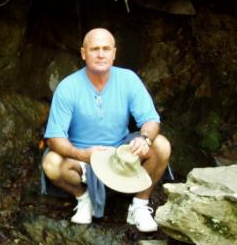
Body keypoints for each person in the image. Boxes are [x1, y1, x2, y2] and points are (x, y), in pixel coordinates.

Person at [42, 27, 171, 232]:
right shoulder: (68, 87)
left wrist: (144, 138)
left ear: (114, 53)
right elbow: (54, 138)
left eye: (106, 48)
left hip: (120, 153)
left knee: (161, 145)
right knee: (51, 163)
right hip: (83, 158)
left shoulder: (128, 79)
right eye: (94, 49)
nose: (101, 54)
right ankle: (84, 198)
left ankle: (139, 206)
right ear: (84, 53)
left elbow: (151, 120)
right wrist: (82, 154)